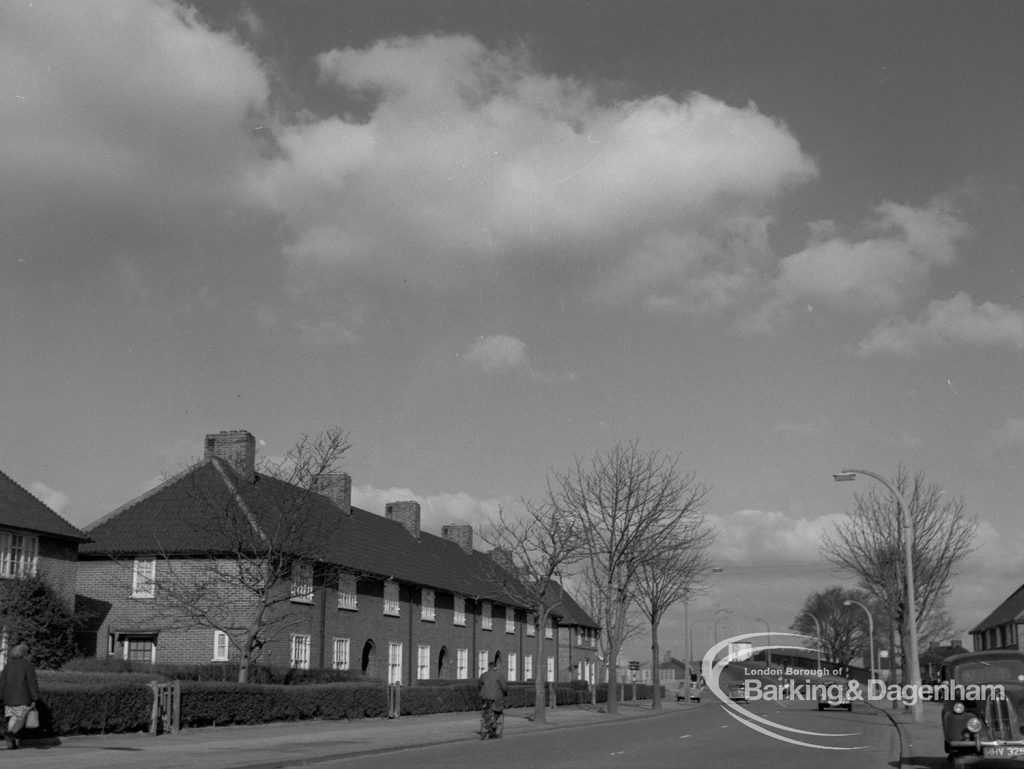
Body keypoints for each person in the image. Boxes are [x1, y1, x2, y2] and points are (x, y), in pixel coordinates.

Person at [0, 642, 39, 750]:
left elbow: (2, 682)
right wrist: (35, 697)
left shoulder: (8, 665)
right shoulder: (27, 665)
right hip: (22, 696)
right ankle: (10, 734)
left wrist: (1, 695)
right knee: (21, 718)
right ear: (24, 653)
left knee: (13, 717)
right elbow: (32, 682)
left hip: (8, 697)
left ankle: (11, 742)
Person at [477, 659, 508, 739]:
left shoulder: (483, 675)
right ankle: (493, 722)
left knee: (486, 710)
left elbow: (479, 685)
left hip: (485, 697)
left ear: (488, 667)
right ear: (495, 667)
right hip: (495, 697)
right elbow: (504, 687)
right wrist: (505, 693)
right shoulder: (499, 675)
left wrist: (482, 692)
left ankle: (487, 723)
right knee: (498, 709)